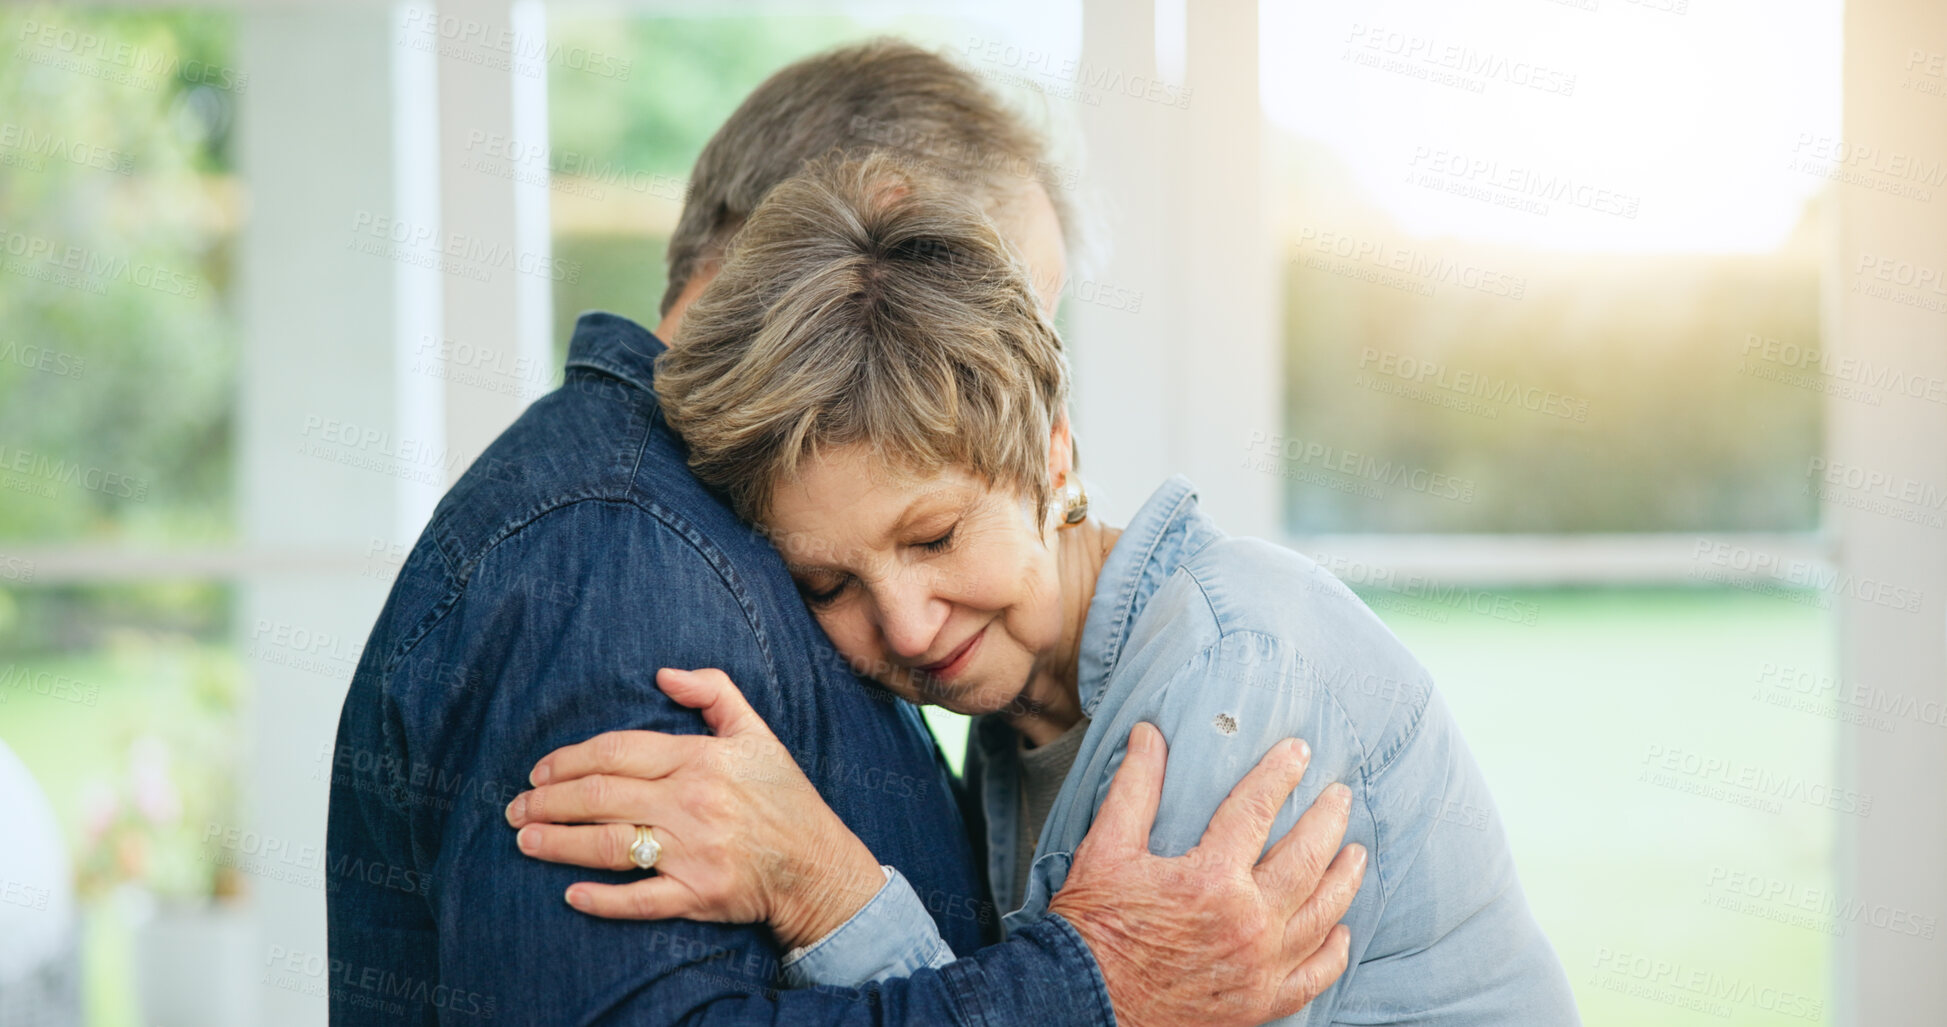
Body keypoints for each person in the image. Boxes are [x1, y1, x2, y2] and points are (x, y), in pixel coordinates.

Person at [326, 39, 1362, 1026]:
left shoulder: (720, 527)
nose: (1014, 380)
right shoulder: (619, 552)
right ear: (876, 243)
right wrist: (1095, 993)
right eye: (992, 308)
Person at [502, 153, 1583, 1024]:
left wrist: (825, 883)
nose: (906, 626)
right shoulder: (1022, 712)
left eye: (934, 534)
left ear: (1053, 457)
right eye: (830, 583)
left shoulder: (1231, 678)